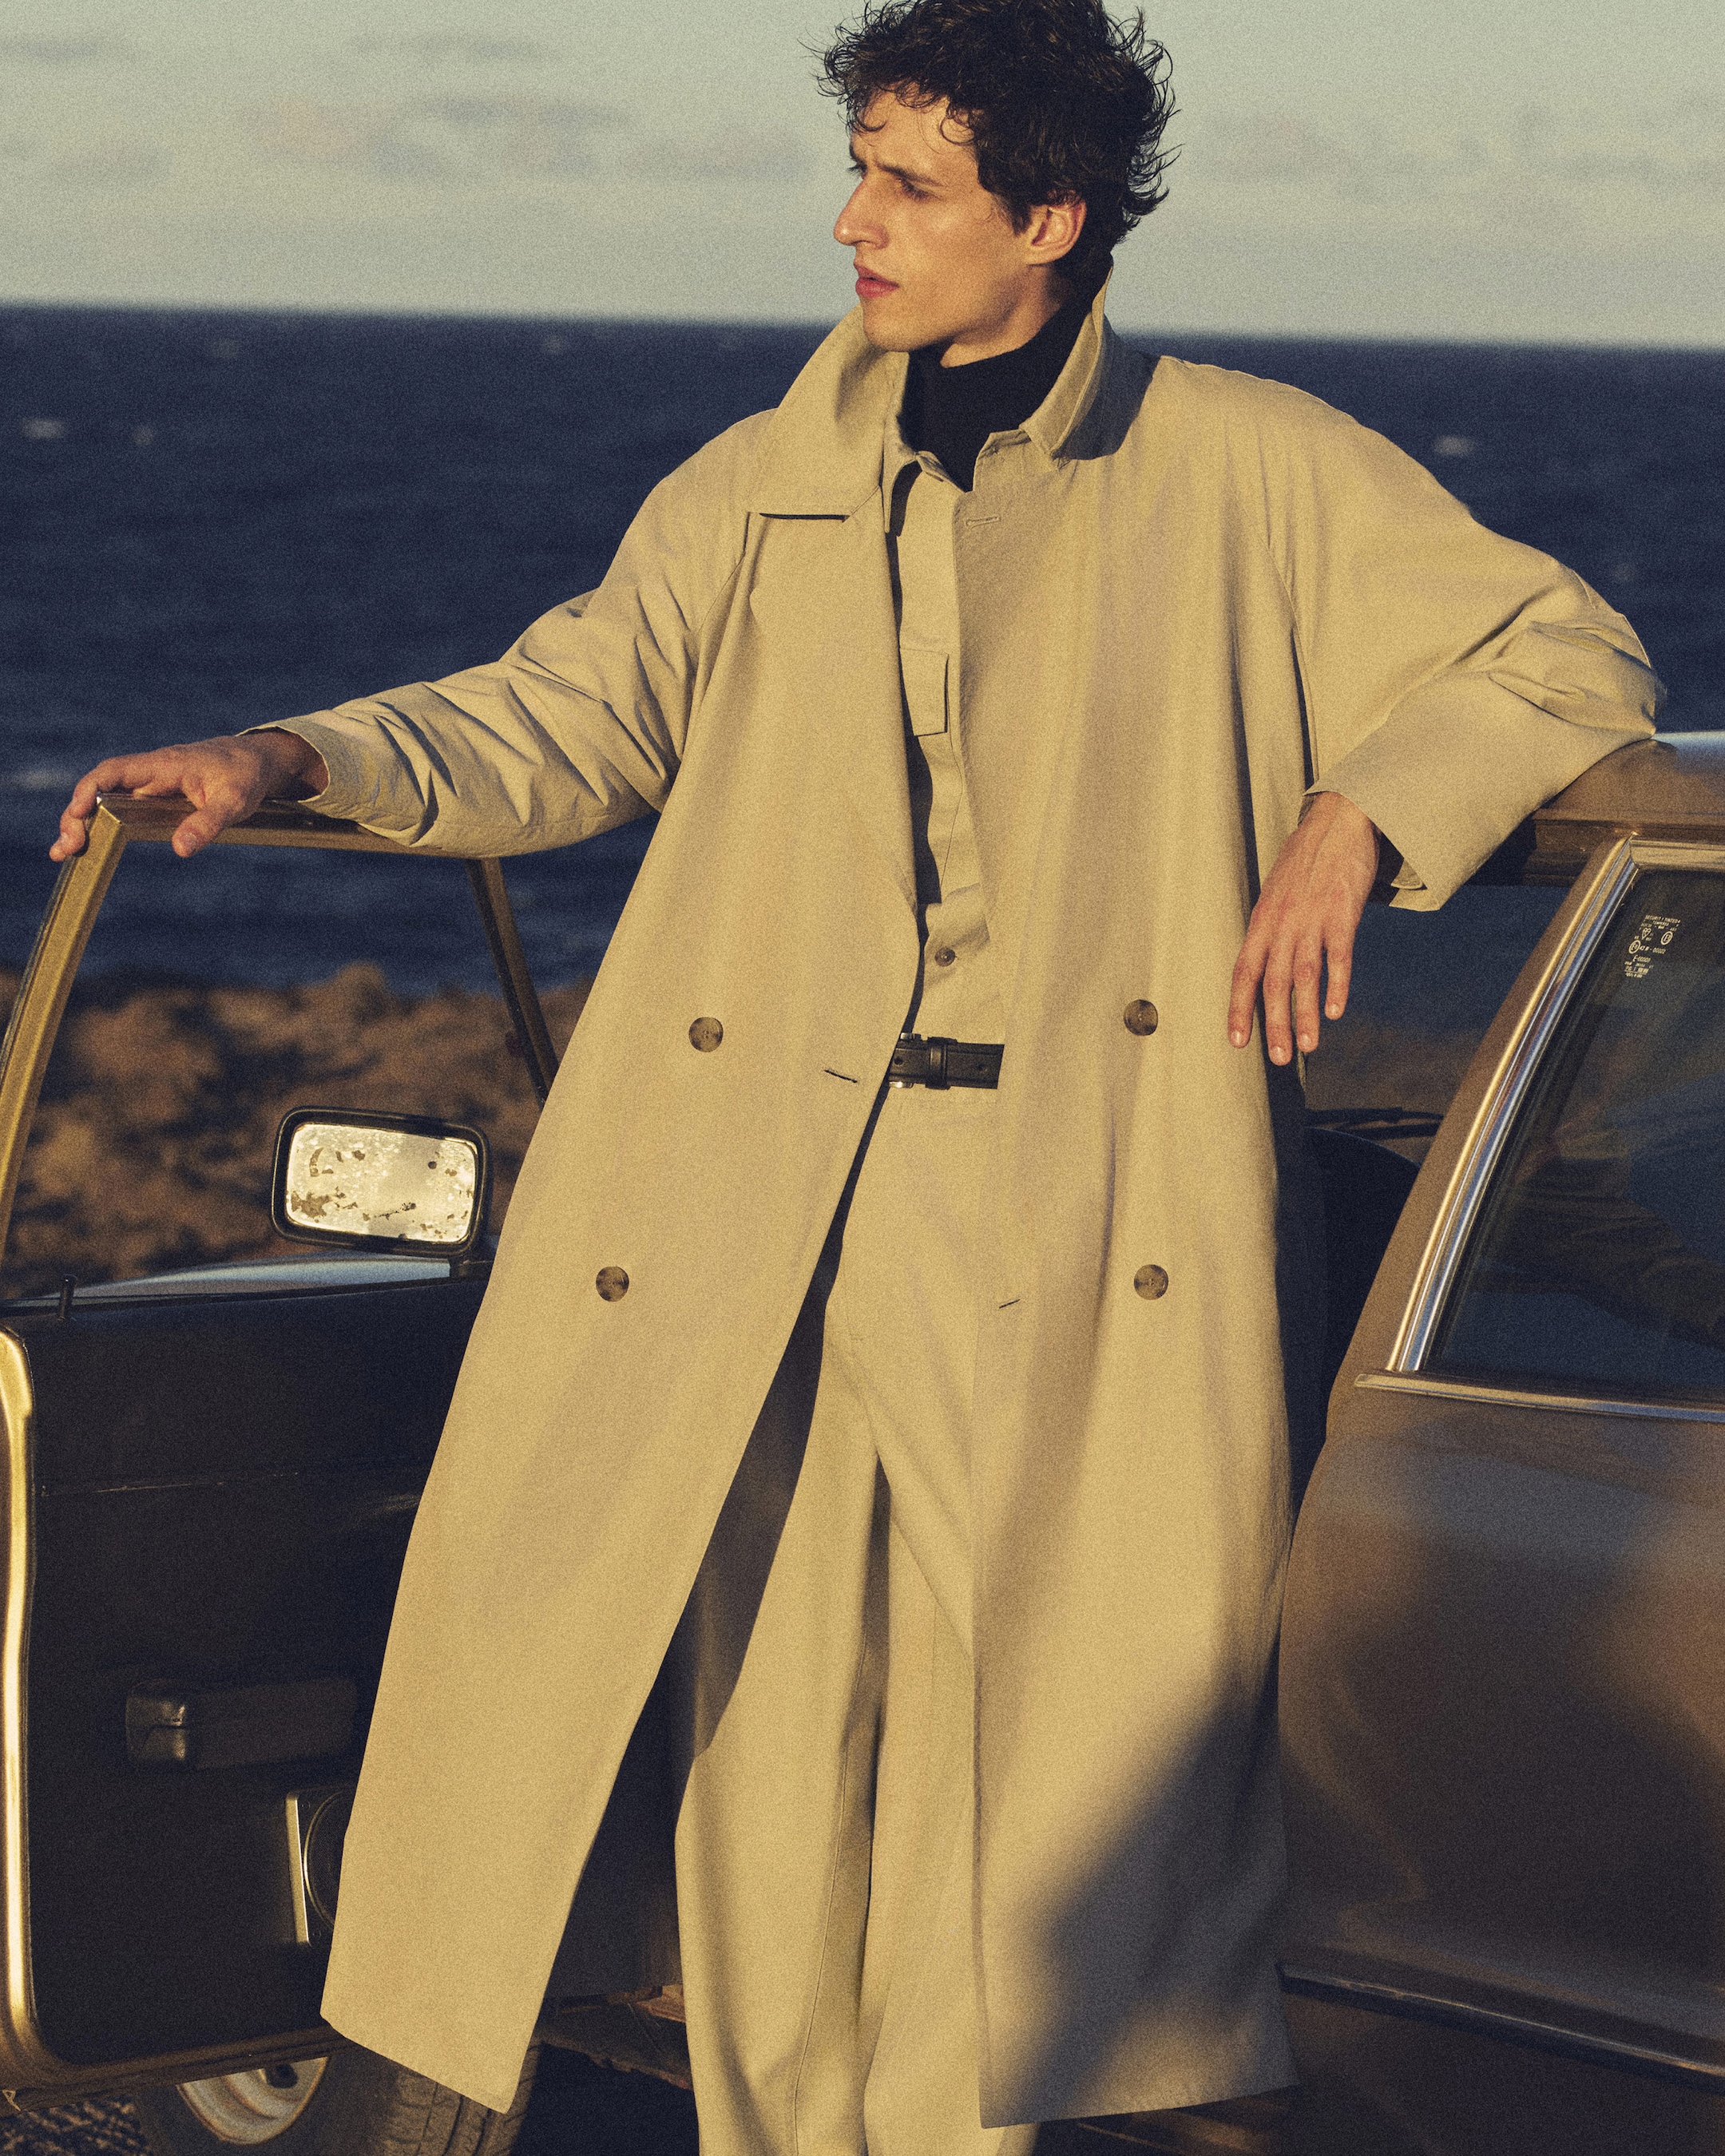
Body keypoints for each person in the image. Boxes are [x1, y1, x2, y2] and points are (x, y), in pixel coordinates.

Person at [52, 2, 1662, 2148]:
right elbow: (563, 715)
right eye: (862, 168)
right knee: (770, 1738)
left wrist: (1367, 801)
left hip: (1086, 1209)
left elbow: (1564, 655)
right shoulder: (760, 487)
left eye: (908, 184)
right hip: (759, 1198)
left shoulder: (1252, 471)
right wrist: (293, 759)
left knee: (1031, 1784)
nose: (853, 222)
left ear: (1053, 218)